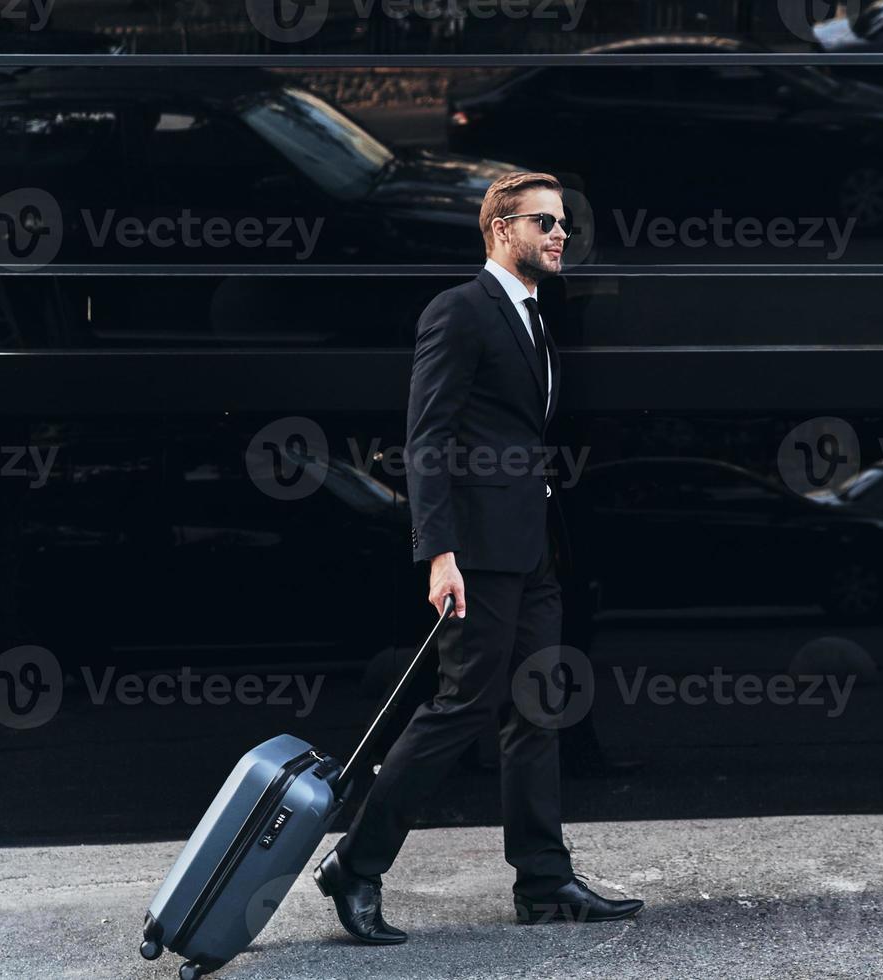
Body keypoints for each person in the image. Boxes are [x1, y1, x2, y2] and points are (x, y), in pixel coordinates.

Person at [313, 172, 644, 943]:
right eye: (546, 222)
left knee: (538, 706)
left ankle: (544, 879)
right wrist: (440, 554)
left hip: (532, 554)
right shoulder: (459, 311)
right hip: (480, 555)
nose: (562, 234)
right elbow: (427, 439)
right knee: (460, 707)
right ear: (501, 229)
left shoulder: (534, 317)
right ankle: (355, 867)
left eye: (563, 223)